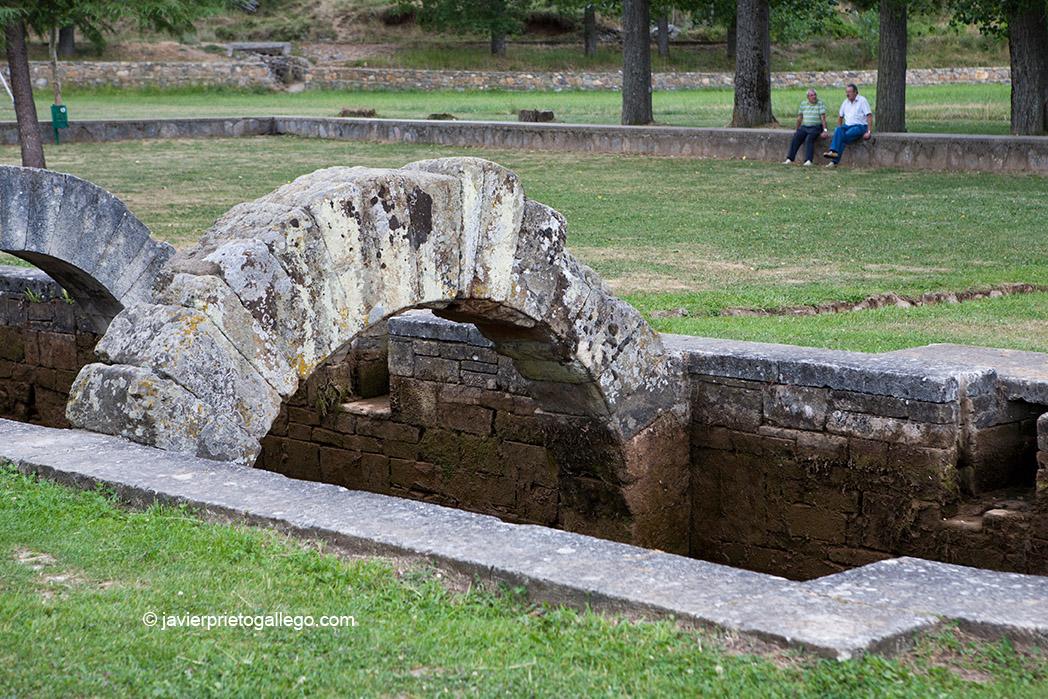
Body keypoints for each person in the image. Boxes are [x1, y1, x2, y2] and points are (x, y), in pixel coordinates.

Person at [823, 83, 873, 168]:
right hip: (847, 126)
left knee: (844, 136)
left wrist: (869, 132)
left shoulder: (862, 101)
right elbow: (840, 116)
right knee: (838, 130)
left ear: (856, 92)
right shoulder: (845, 102)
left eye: (849, 92)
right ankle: (833, 153)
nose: (847, 94)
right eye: (846, 92)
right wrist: (839, 127)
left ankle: (834, 159)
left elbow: (869, 116)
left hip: (859, 126)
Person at [782, 89, 828, 166]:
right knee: (796, 137)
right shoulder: (803, 104)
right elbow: (799, 118)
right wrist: (797, 129)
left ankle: (808, 160)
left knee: (809, 139)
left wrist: (825, 130)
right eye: (812, 95)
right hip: (805, 126)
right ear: (808, 97)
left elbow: (823, 118)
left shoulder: (820, 103)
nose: (814, 97)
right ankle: (790, 159)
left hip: (816, 127)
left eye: (815, 95)